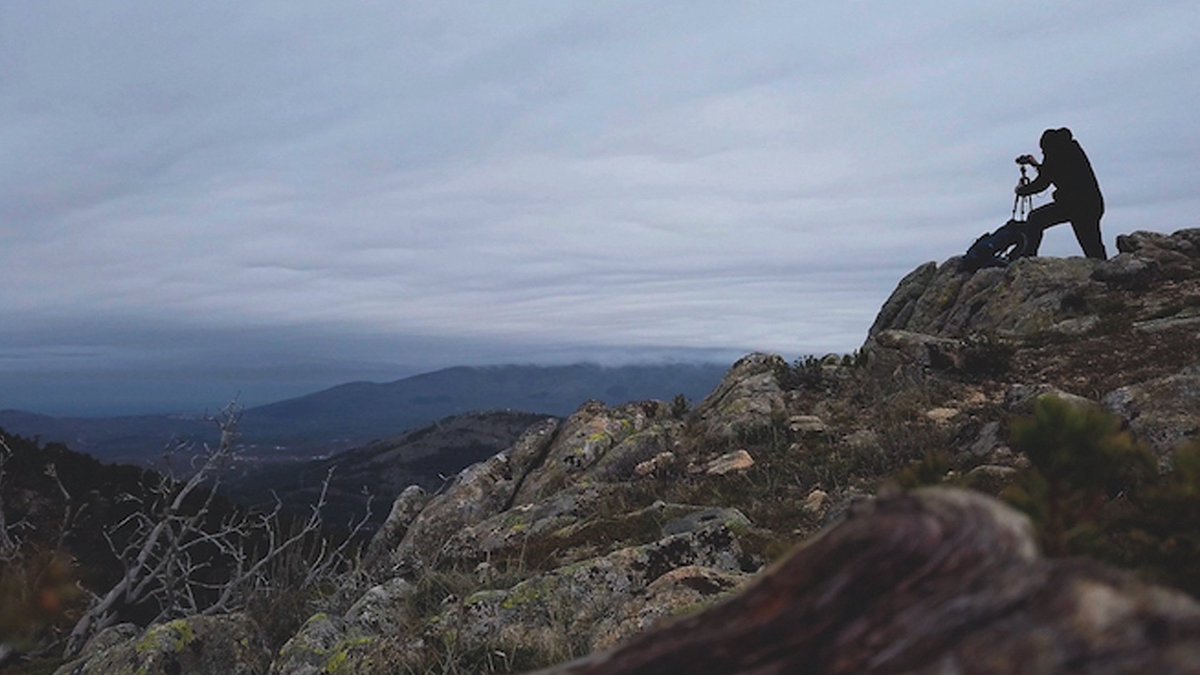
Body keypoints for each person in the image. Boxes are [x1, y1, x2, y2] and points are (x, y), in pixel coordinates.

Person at [1014, 127, 1107, 260]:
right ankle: (1105, 268)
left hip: (1075, 206)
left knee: (1035, 219)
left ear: (1047, 146)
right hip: (1092, 203)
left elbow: (1042, 183)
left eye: (1043, 150)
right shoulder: (1072, 149)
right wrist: (1036, 165)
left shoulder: (1054, 154)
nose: (1043, 152)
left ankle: (1029, 259)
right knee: (1093, 245)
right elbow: (1056, 172)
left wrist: (1021, 191)